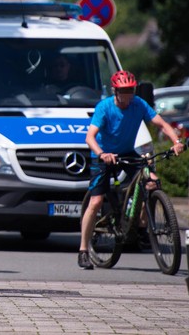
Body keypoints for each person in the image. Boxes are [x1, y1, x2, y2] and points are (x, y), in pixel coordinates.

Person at [78, 70, 184, 269]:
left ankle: (144, 228)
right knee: (96, 201)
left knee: (151, 180)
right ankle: (84, 249)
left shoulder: (138, 104)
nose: (128, 95)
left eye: (131, 90)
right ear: (115, 91)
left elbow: (161, 124)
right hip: (104, 155)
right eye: (124, 90)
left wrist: (176, 142)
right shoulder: (105, 107)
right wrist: (102, 154)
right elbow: (89, 137)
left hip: (127, 152)